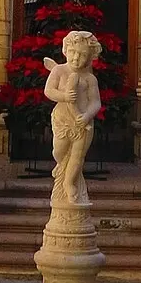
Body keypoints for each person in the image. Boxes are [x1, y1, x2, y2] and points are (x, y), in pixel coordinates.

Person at [43, 29, 102, 210]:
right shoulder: (59, 71)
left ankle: (69, 183)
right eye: (73, 53)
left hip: (82, 124)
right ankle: (61, 165)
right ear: (65, 50)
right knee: (59, 150)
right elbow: (48, 91)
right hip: (62, 120)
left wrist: (86, 116)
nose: (76, 58)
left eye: (82, 55)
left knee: (77, 156)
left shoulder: (90, 79)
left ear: (90, 57)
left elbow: (96, 103)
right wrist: (64, 96)